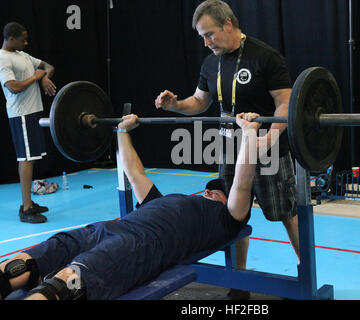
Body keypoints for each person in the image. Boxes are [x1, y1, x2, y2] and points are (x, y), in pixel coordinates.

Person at [0, 112, 261, 300]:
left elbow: (242, 183)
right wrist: (123, 131)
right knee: (23, 265)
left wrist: (249, 134)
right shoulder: (162, 201)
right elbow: (135, 172)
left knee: (68, 284)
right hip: (102, 230)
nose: (212, 192)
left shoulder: (226, 220)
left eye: (221, 192)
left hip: (139, 246)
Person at [154, 0, 299, 299]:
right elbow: (199, 101)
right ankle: (239, 281)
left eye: (210, 34)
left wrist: (267, 140)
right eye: (202, 37)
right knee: (231, 215)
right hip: (230, 149)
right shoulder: (211, 62)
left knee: (285, 212)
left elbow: (285, 104)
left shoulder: (266, 57)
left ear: (228, 25)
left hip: (268, 149)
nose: (206, 42)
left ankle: (306, 273)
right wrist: (176, 105)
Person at [0, 22, 56, 223]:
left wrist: (43, 79)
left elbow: (48, 67)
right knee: (25, 159)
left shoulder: (22, 55)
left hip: (33, 113)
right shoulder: (3, 58)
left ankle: (29, 203)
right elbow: (13, 87)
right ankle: (25, 209)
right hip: (21, 114)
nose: (26, 42)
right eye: (22, 39)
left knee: (32, 158)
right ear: (11, 38)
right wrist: (35, 77)